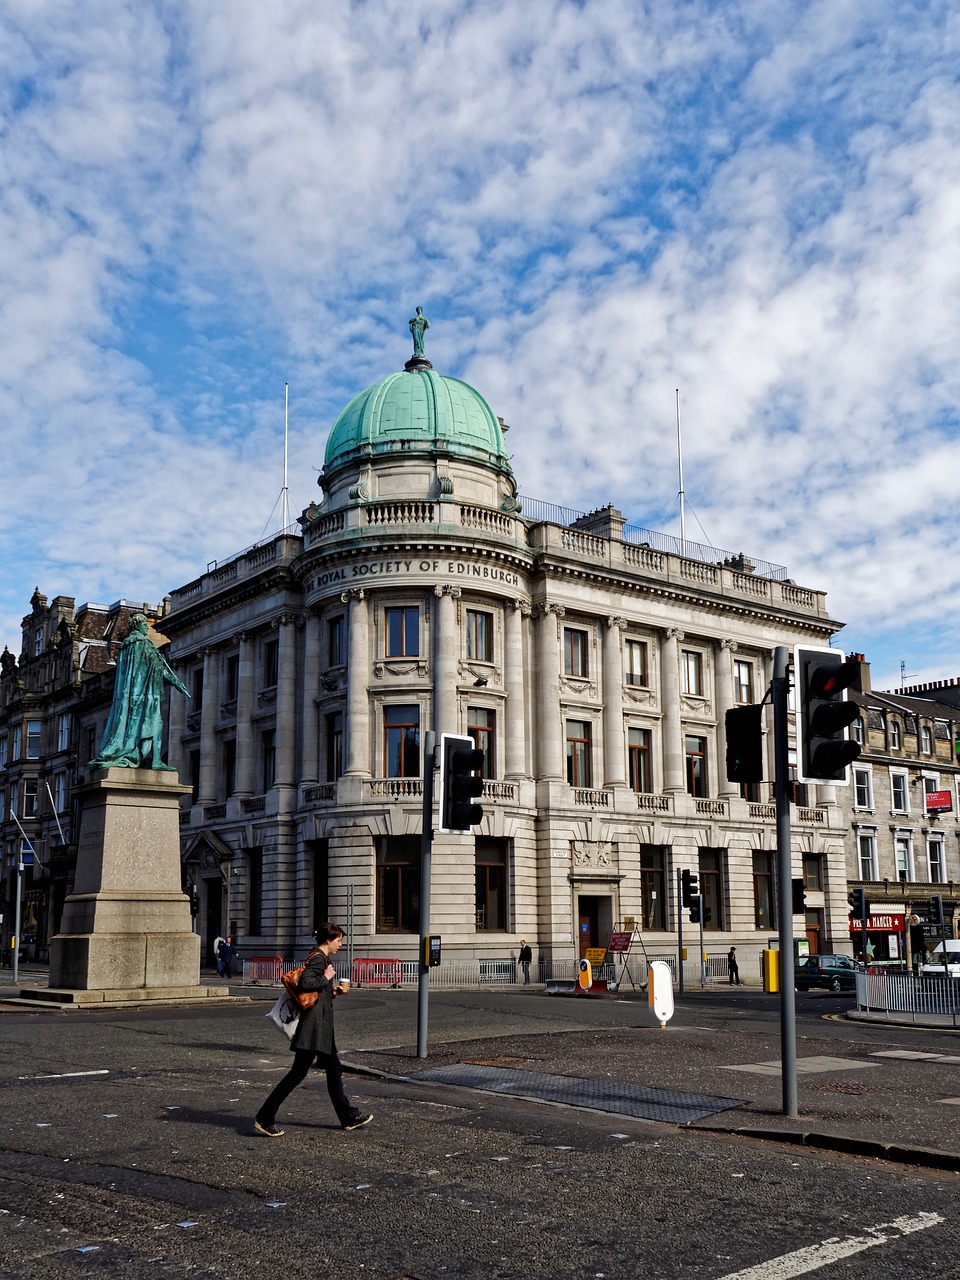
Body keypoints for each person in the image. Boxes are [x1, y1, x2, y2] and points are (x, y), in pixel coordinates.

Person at [254, 922, 372, 1137]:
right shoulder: (318, 958)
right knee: (305, 1073)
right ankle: (265, 1117)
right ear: (328, 940)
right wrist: (326, 978)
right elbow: (306, 983)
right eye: (338, 941)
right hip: (315, 1027)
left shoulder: (320, 958)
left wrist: (332, 992)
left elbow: (314, 991)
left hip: (318, 1027)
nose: (340, 945)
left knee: (322, 1070)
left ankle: (347, 1116)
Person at [90, 612, 189, 769]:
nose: (146, 629)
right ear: (138, 625)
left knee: (153, 724)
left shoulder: (125, 647)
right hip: (146, 694)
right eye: (144, 625)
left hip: (130, 696)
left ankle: (152, 758)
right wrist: (175, 681)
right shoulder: (143, 644)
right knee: (157, 724)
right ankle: (155, 760)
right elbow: (158, 668)